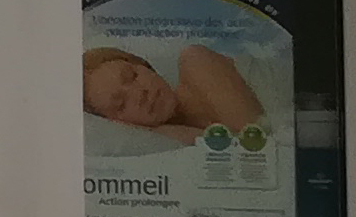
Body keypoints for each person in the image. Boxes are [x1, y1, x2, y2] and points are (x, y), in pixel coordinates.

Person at [83, 42, 263, 145]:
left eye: (133, 76)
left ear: (145, 66)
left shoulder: (195, 61)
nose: (140, 94)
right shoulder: (170, 142)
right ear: (119, 125)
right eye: (121, 104)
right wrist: (159, 132)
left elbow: (256, 147)